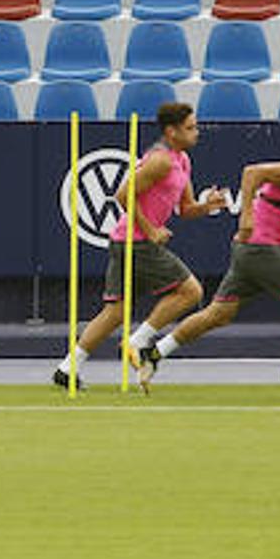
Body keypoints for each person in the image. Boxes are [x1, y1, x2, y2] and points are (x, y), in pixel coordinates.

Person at [138, 126, 280, 390]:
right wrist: (246, 215)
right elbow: (251, 173)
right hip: (258, 248)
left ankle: (154, 353)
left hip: (249, 251)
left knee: (217, 315)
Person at [53, 102, 227, 391]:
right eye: (190, 128)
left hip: (127, 241)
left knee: (116, 313)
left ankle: (66, 368)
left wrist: (208, 207)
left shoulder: (182, 160)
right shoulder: (160, 160)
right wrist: (151, 229)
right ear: (171, 132)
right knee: (191, 291)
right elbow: (122, 196)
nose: (197, 132)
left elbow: (185, 208)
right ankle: (137, 341)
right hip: (136, 242)